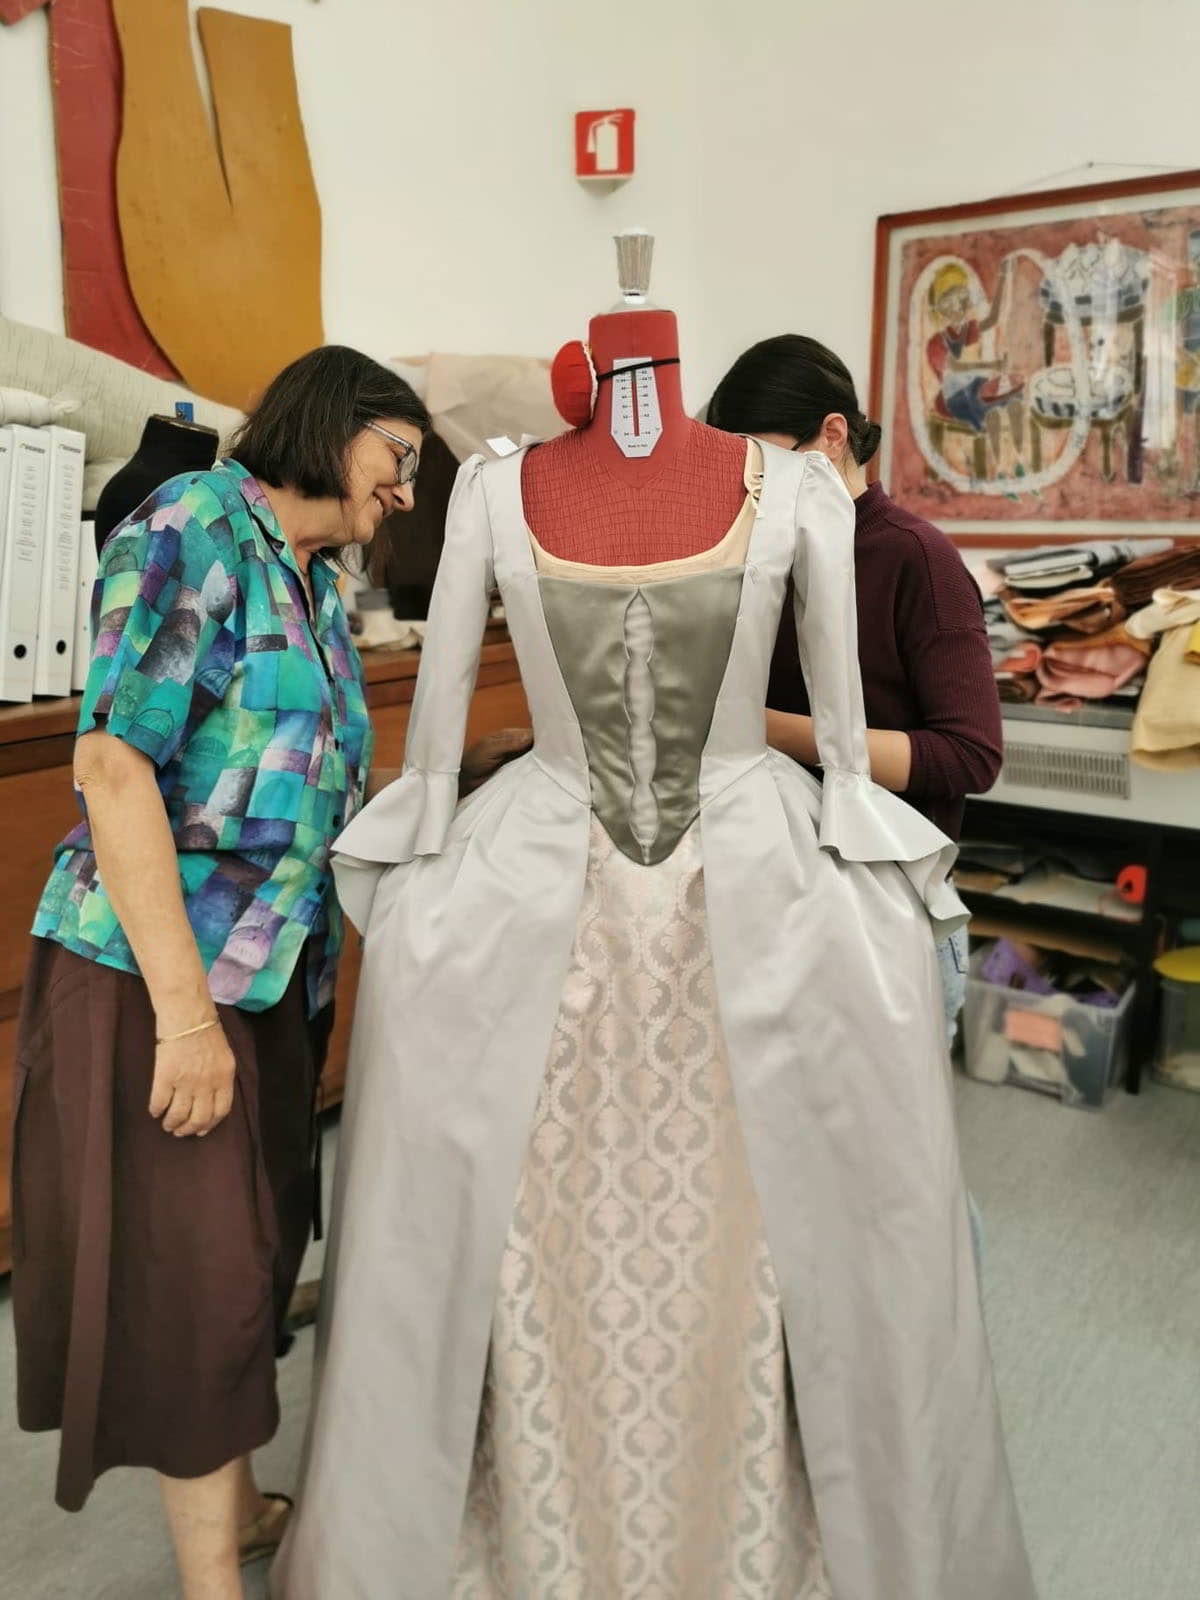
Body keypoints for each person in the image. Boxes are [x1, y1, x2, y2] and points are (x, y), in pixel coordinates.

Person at [273, 391, 1033, 1588]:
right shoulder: (492, 489)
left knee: (780, 1224)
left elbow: (843, 741)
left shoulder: (798, 490)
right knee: (518, 1223)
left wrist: (857, 837)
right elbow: (435, 730)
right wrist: (422, 836)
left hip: (751, 869)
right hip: (548, 867)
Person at [11, 344, 511, 1600]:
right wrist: (184, 1018)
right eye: (399, 456)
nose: (406, 489)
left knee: (260, 1250)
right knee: (203, 1282)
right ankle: (213, 1585)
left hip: (275, 976)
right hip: (158, 974)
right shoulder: (190, 527)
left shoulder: (313, 581)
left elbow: (297, 791)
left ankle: (233, 1509)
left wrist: (486, 784)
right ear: (335, 421)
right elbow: (113, 766)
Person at [707, 333, 1004, 1051]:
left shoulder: (916, 558)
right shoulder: (763, 552)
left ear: (832, 436)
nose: (747, 488)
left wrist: (761, 727)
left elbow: (969, 756)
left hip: (887, 909)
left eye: (759, 462)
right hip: (783, 901)